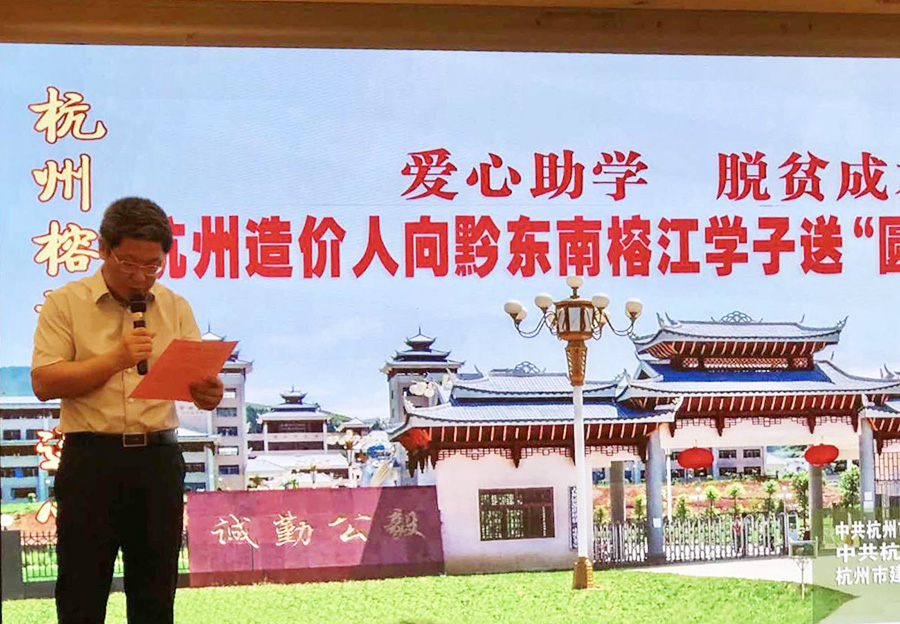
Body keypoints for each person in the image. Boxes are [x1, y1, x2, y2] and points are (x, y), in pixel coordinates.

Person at [32, 197, 224, 624]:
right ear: (103, 249)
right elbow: (44, 382)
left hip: (157, 461)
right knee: (81, 594)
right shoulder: (66, 303)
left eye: (153, 265)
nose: (141, 276)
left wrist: (208, 393)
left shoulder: (175, 306)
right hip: (91, 461)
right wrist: (115, 359)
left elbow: (196, 384)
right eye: (129, 263)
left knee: (155, 596)